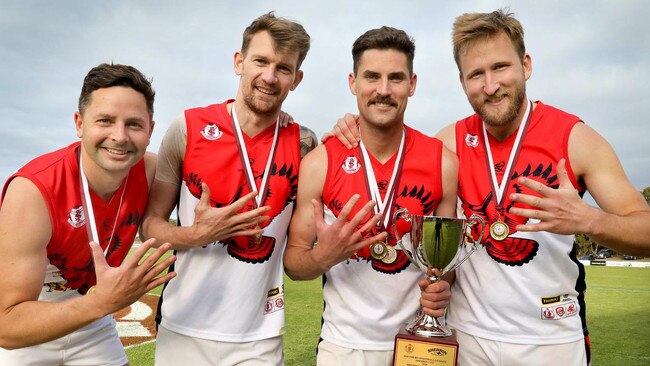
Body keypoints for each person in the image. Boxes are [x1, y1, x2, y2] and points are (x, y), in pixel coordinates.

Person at [328, 8, 650, 366]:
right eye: (476, 74)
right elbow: (391, 151)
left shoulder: (575, 139)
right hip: (466, 340)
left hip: (550, 341)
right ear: (463, 82)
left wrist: (588, 220)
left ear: (525, 65)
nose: (491, 85)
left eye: (501, 67)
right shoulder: (447, 144)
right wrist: (348, 129)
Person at [140, 12, 316, 366]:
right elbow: (150, 224)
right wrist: (195, 234)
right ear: (239, 62)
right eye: (261, 61)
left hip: (259, 337)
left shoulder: (305, 145)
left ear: (296, 79)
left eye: (283, 68)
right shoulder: (187, 127)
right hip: (183, 327)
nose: (269, 76)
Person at [284, 26, 458, 366]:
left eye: (395, 78)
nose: (383, 90)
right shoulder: (320, 161)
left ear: (412, 84)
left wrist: (441, 286)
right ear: (353, 83)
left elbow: (445, 262)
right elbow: (294, 263)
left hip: (418, 343)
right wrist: (325, 257)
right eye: (371, 77)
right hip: (343, 347)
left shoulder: (443, 162)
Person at [0, 63, 176, 366]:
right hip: (33, 321)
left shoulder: (151, 171)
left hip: (93, 322)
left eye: (134, 124)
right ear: (79, 123)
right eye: (105, 120)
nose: (119, 137)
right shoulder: (33, 191)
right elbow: (7, 325)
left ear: (150, 129)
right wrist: (101, 302)